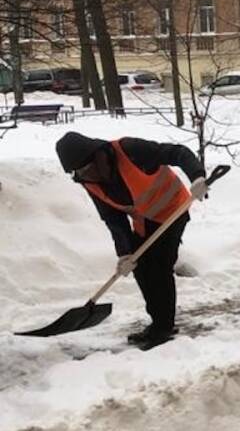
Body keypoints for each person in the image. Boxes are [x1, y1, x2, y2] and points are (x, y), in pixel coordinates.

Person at [55, 132, 207, 349]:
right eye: (79, 172)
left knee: (159, 266)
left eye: (87, 168)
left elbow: (177, 152)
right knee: (141, 267)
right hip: (146, 220)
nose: (86, 175)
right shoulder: (89, 181)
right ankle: (158, 321)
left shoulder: (131, 150)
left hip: (174, 209)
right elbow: (112, 217)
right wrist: (125, 252)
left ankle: (163, 327)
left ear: (98, 156)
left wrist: (197, 176)